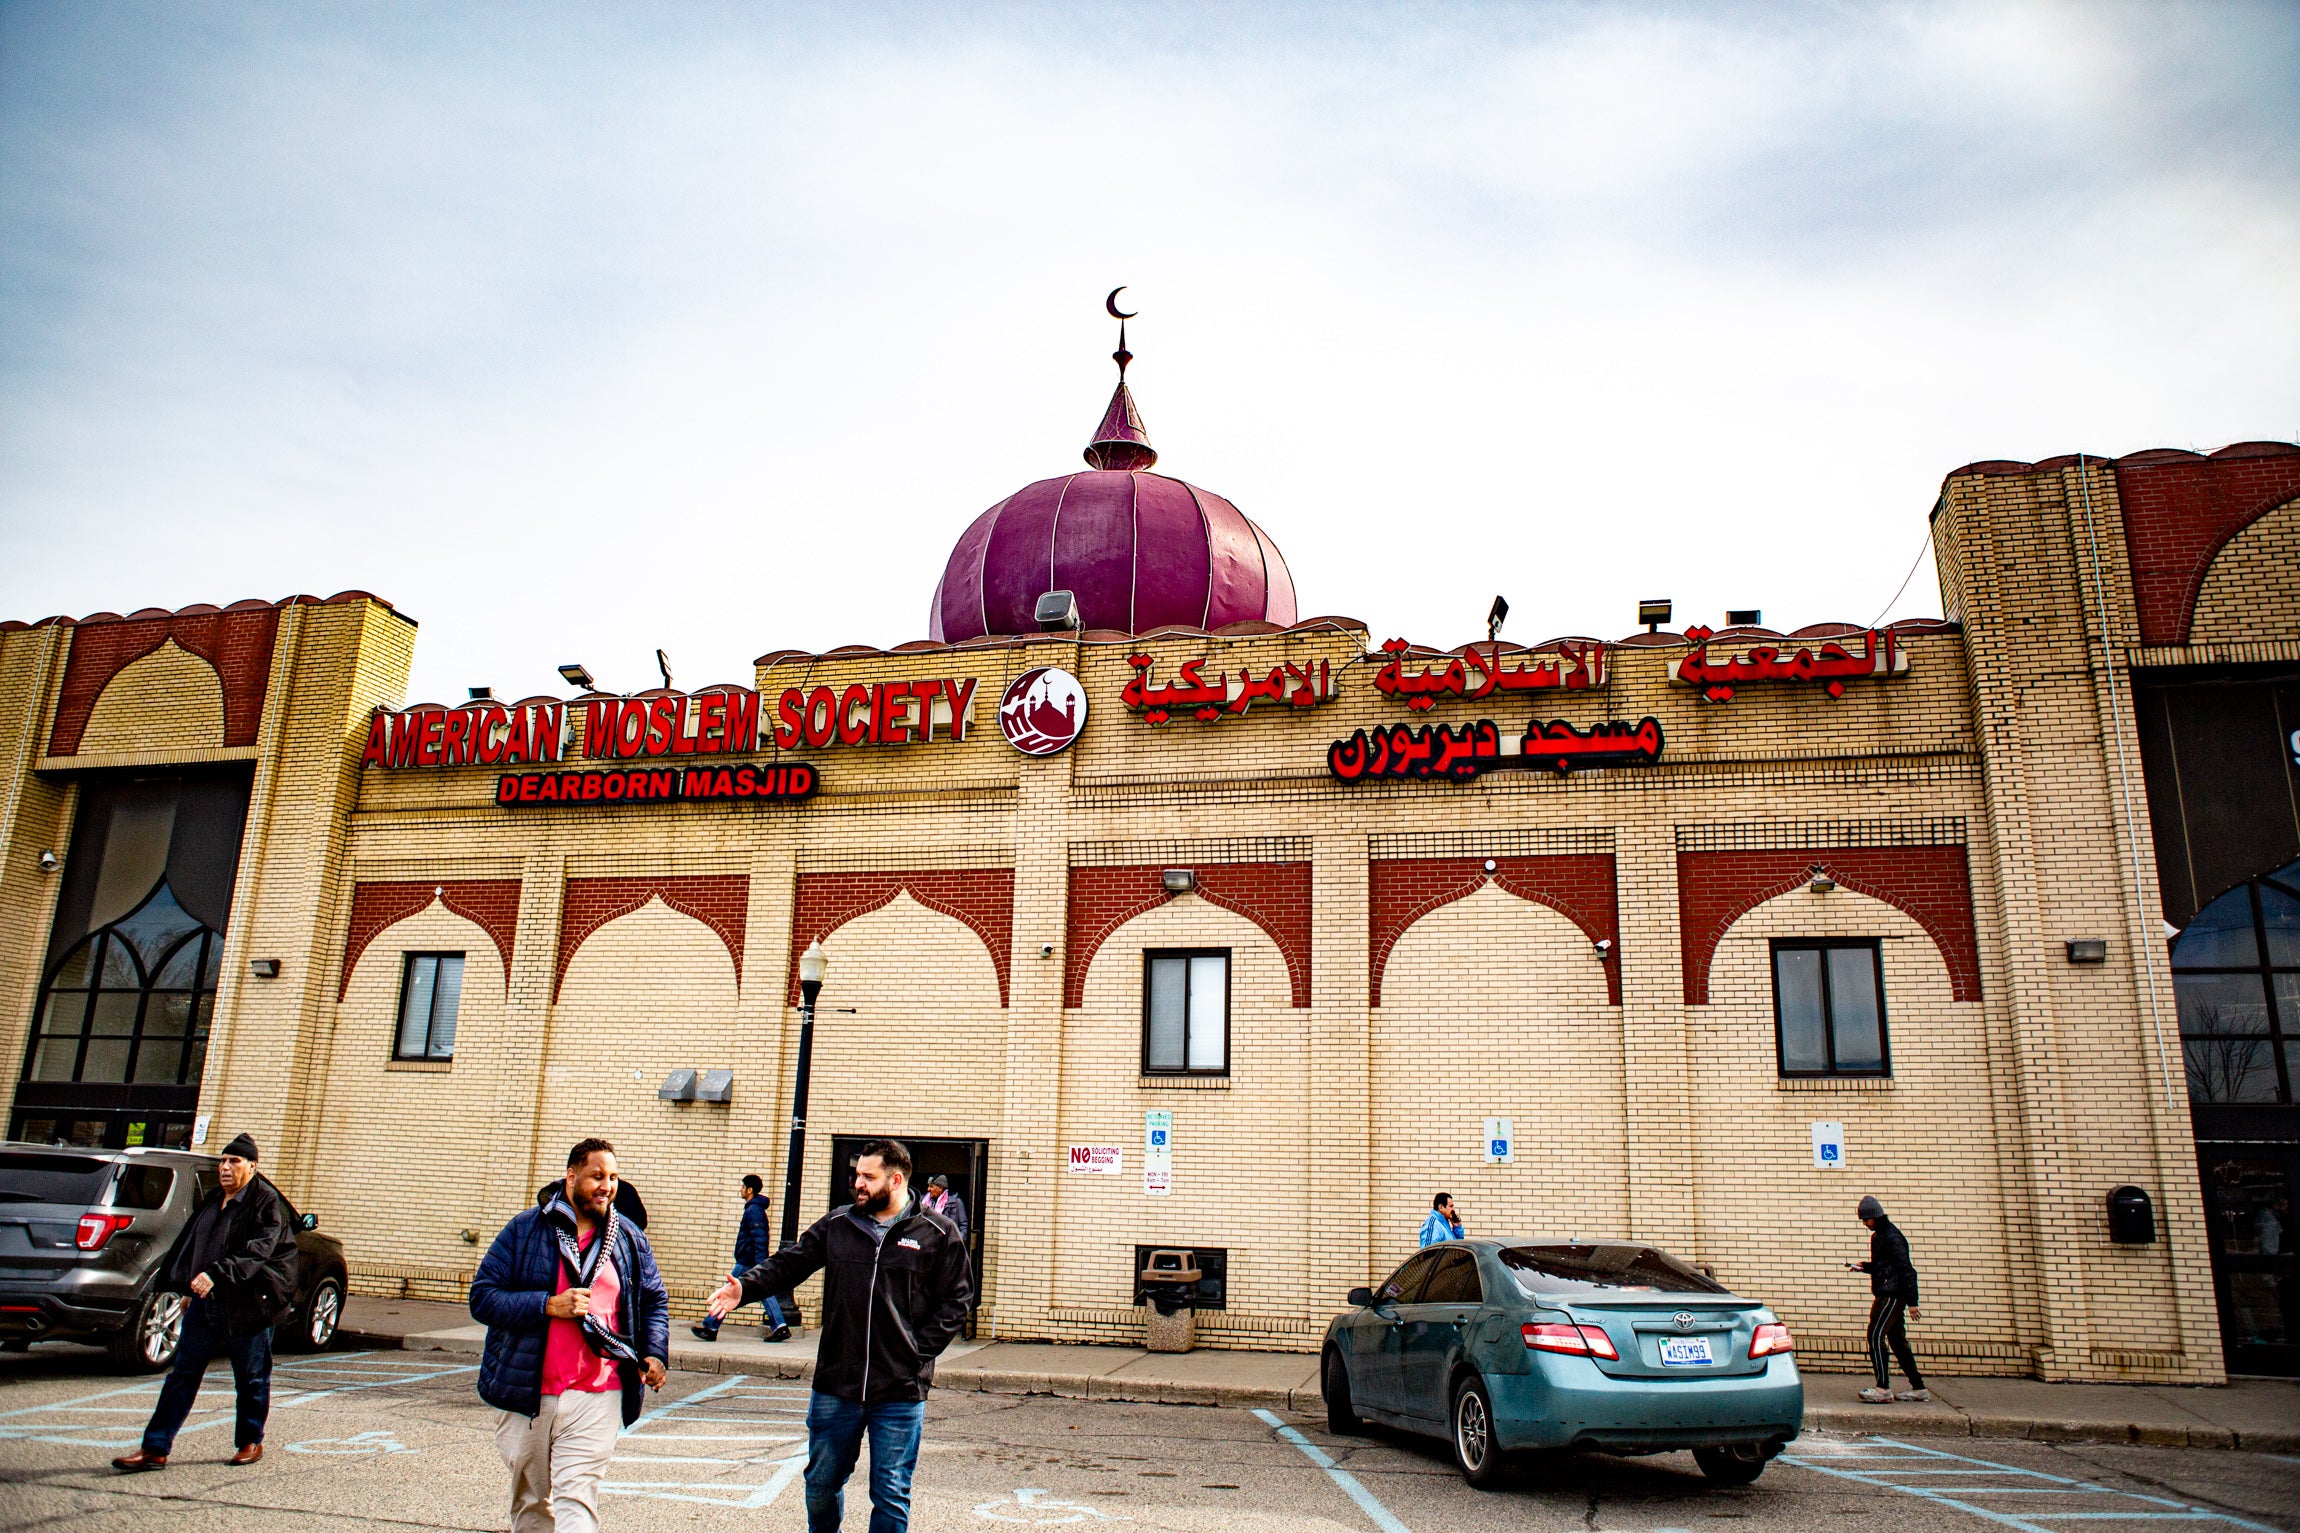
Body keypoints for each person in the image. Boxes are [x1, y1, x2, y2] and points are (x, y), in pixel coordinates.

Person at [707, 1138, 971, 1533]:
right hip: (837, 1385)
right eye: (857, 1175)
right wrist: (744, 1289)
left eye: (868, 1176)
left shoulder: (937, 1232)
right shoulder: (839, 1224)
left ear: (896, 1179)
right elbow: (790, 1262)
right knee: (820, 1485)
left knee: (891, 1494)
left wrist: (915, 1352)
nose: (858, 1183)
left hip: (899, 1390)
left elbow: (958, 1300)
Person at [474, 1139, 671, 1532]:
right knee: (531, 1502)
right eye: (597, 1175)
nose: (607, 1185)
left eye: (613, 1177)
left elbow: (653, 1300)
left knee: (577, 1495)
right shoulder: (525, 1229)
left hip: (598, 1392)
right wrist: (548, 1305)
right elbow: (483, 1298)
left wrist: (654, 1352)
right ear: (572, 1176)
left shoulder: (628, 1238)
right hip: (531, 1392)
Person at [113, 1133, 297, 1472]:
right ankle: (155, 1448)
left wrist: (216, 1273)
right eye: (223, 1162)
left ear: (252, 1167)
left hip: (250, 1306)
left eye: (234, 1162)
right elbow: (193, 1245)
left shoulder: (266, 1203)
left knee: (251, 1377)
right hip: (206, 1303)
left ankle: (250, 1441)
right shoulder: (214, 1200)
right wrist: (186, 1287)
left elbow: (259, 1251)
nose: (225, 1168)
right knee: (182, 1375)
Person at [1845, 1194, 1927, 1403]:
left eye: (1866, 1219)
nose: (1864, 1224)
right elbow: (1885, 1267)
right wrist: (1865, 1267)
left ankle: (1882, 1388)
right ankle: (1918, 1387)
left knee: (1875, 1335)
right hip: (1886, 1293)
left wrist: (1912, 1302)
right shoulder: (1879, 1236)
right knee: (1898, 1342)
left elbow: (1906, 1269)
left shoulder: (1892, 1237)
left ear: (1876, 1217)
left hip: (1892, 1296)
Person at [692, 1173, 790, 1343]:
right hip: (750, 1259)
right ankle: (780, 1327)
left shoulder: (753, 1210)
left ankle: (710, 1327)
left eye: (743, 1187)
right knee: (764, 1290)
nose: (741, 1190)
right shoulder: (754, 1208)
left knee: (730, 1290)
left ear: (750, 1190)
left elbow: (759, 1237)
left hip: (748, 1260)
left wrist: (760, 1263)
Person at [922, 1174, 969, 1243]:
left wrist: (957, 1241)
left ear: (940, 1188)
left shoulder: (956, 1202)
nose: (928, 1189)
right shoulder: (924, 1201)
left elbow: (964, 1226)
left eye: (931, 1186)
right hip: (928, 1243)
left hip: (947, 1245)